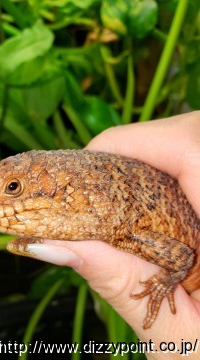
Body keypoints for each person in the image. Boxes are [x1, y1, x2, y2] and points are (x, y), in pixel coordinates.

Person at [23, 112, 200, 359]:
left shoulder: (125, 229)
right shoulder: (109, 218)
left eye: (14, 188)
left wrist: (162, 283)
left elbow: (182, 258)